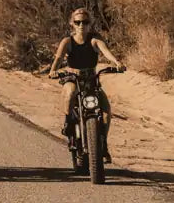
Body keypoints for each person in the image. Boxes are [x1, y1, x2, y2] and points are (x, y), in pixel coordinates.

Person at [47, 8, 124, 163]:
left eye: (85, 22)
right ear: (72, 24)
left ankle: (102, 144)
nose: (81, 25)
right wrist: (53, 71)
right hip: (72, 78)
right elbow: (58, 58)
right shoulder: (68, 41)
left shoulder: (94, 40)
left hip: (91, 80)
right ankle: (68, 122)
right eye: (78, 22)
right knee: (70, 92)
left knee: (106, 111)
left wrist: (116, 62)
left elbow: (105, 51)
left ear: (90, 24)